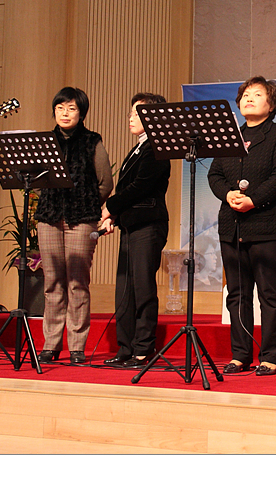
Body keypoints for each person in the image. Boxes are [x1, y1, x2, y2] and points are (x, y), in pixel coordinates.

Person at [207, 77, 276, 376]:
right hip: (232, 226)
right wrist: (227, 194)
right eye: (245, 94)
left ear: (271, 105)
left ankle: (271, 356)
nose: (249, 98)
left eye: (257, 94)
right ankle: (240, 354)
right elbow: (215, 175)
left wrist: (253, 200)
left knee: (270, 294)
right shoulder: (230, 136)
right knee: (237, 294)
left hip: (267, 226)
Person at [33, 87, 114, 365]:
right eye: (60, 108)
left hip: (82, 219)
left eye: (71, 108)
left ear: (81, 113)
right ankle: (51, 344)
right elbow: (36, 180)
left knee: (77, 282)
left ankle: (77, 346)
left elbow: (105, 183)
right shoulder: (45, 142)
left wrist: (86, 203)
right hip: (49, 217)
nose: (65, 113)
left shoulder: (92, 141)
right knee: (52, 281)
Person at [99, 93, 172, 369]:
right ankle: (125, 348)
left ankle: (143, 349)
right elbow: (128, 192)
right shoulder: (138, 148)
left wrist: (109, 208)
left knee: (142, 288)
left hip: (148, 225)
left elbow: (140, 187)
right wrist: (115, 216)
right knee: (125, 290)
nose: (131, 117)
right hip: (131, 225)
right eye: (131, 112)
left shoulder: (158, 147)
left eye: (137, 113)